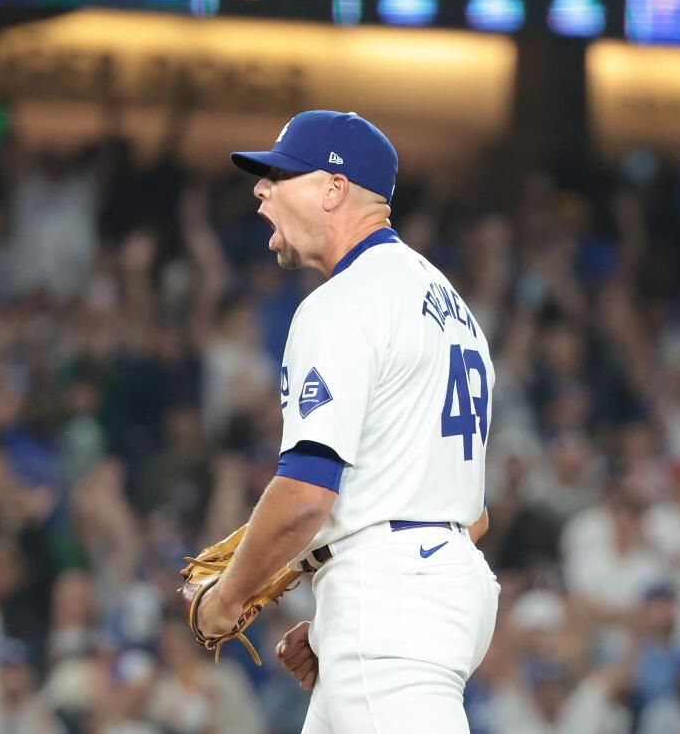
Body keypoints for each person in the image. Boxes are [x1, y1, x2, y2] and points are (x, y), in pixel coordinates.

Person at [193, 110, 499, 732]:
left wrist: (230, 598)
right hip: (429, 585)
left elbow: (306, 495)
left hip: (392, 599)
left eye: (279, 175)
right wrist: (346, 610)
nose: (261, 190)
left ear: (333, 189)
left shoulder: (344, 302)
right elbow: (474, 515)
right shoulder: (450, 306)